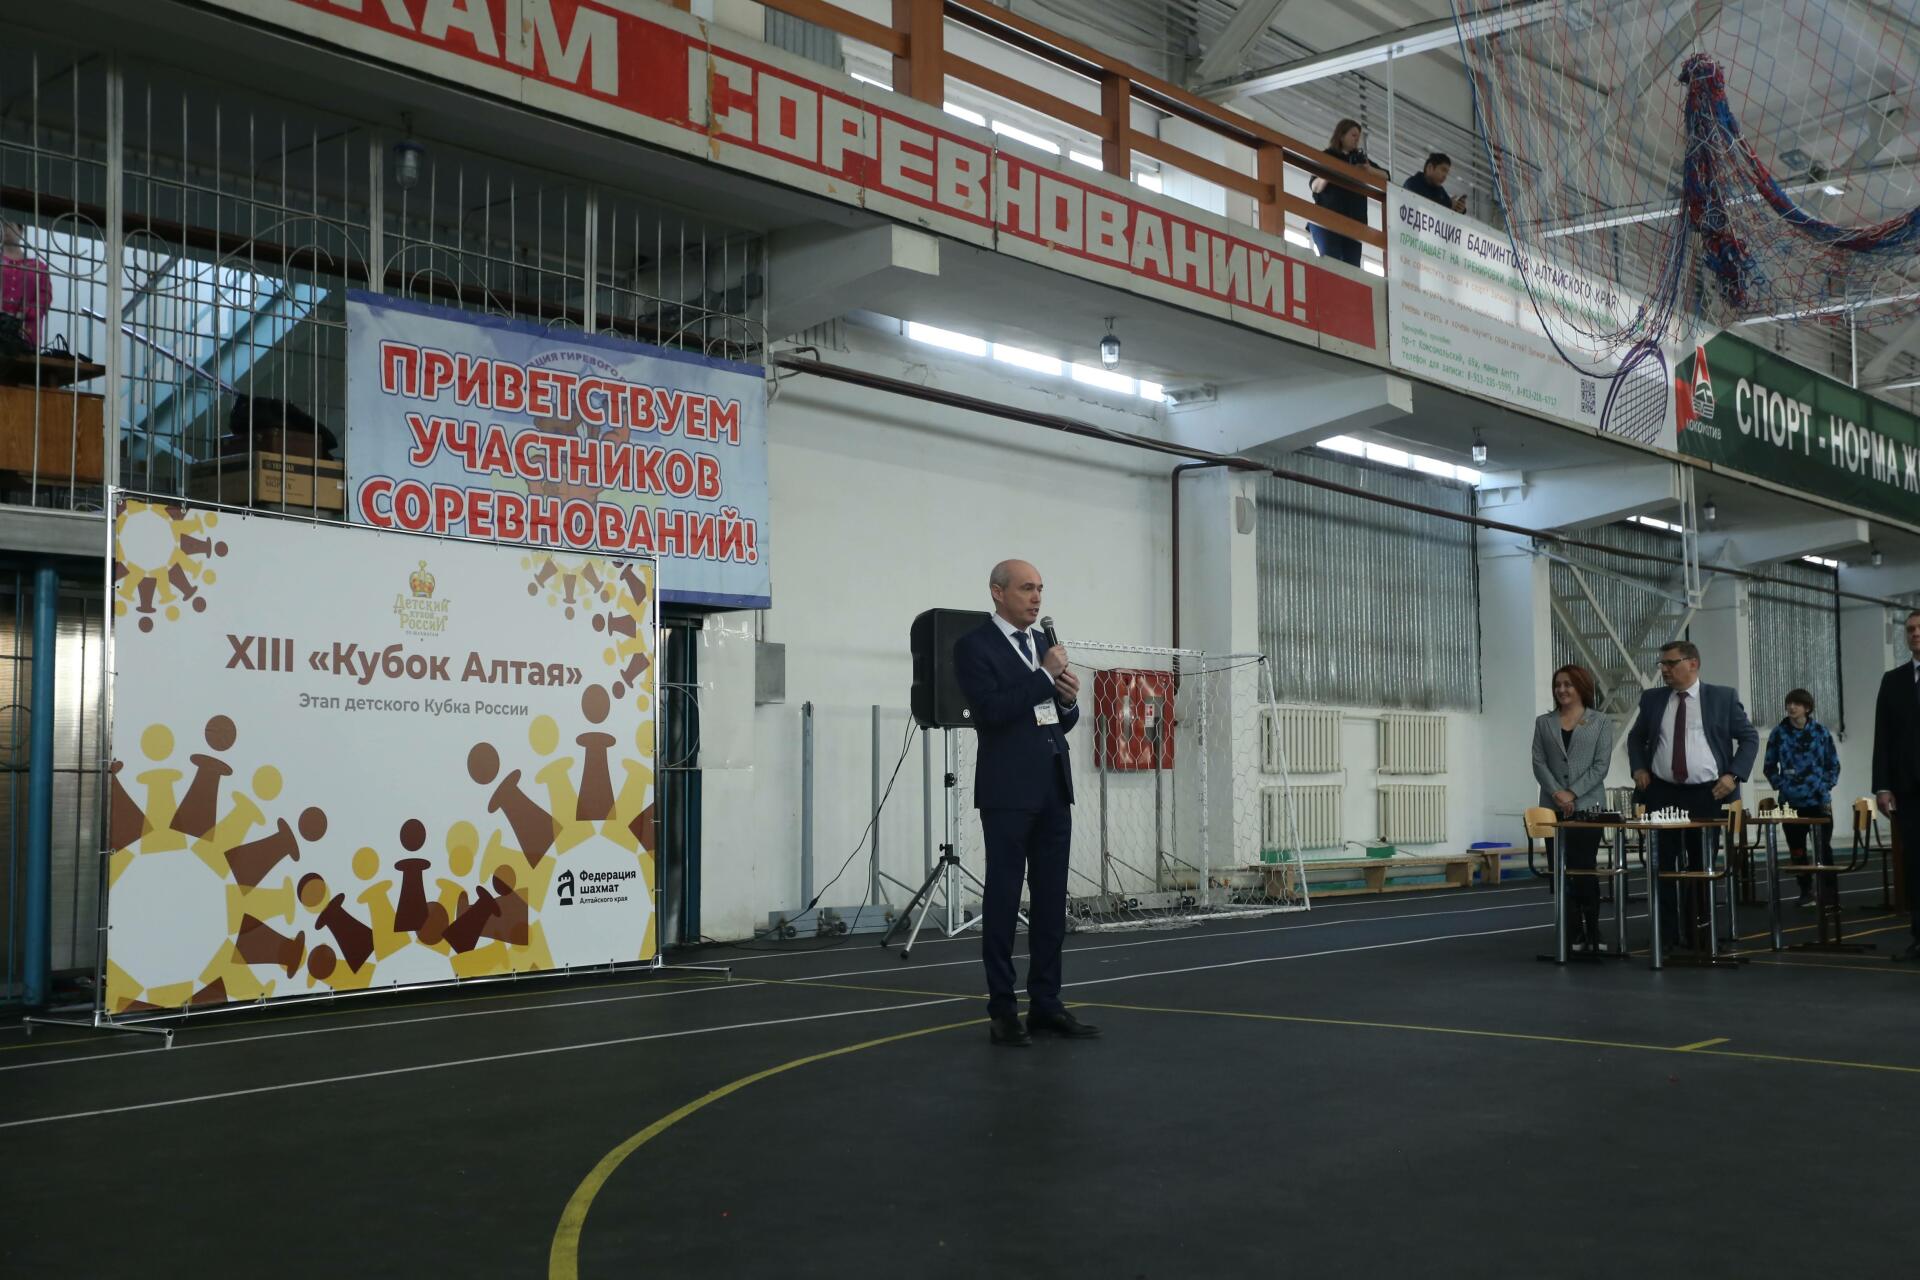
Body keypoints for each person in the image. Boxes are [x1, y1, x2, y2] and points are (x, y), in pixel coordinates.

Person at [951, 559, 1099, 1045]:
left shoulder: (1040, 644)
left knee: (1051, 901)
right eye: (1026, 588)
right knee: (1004, 898)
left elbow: (1054, 719)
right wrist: (1043, 675)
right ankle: (1002, 1009)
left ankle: (1046, 1003)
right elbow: (991, 712)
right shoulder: (974, 646)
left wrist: (1068, 700)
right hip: (1009, 792)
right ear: (997, 592)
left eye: (1040, 589)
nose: (1036, 598)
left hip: (1053, 786)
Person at [1626, 641, 1758, 953]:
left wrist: (1733, 775)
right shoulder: (1653, 699)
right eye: (1661, 664)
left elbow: (1749, 738)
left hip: (1706, 793)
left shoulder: (1722, 697)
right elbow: (1636, 737)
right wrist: (1639, 767)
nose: (1664, 669)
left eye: (1670, 663)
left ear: (1693, 664)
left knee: (1702, 865)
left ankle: (1699, 933)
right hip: (1662, 791)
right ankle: (1666, 936)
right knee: (1663, 866)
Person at [1531, 664, 1615, 953]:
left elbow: (1601, 765)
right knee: (1560, 870)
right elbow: (1538, 762)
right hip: (1552, 808)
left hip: (1588, 807)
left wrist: (1573, 793)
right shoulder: (1544, 723)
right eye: (1558, 685)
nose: (1562, 689)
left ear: (1582, 687)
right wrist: (1557, 793)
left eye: (1568, 684)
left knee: (1584, 868)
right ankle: (1571, 930)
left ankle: (1593, 929)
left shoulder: (1600, 721)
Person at [1871, 609, 1920, 961]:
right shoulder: (1893, 680)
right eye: (1910, 629)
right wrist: (1882, 786)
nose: (1915, 634)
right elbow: (1883, 737)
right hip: (1908, 789)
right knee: (1915, 864)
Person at [1763, 688, 1840, 907]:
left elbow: (1833, 765)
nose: (1791, 707)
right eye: (1789, 703)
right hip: (1791, 803)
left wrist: (1824, 786)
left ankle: (1829, 894)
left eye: (1796, 704)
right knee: (1797, 849)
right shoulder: (1779, 733)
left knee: (1824, 849)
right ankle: (1806, 891)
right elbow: (1769, 766)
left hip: (1818, 801)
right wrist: (1782, 785)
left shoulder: (1821, 732)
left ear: (1807, 708)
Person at [1309, 118, 1388, 269]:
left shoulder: (1359, 159)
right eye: (1353, 135)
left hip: (1355, 223)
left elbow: (1386, 176)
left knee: (1353, 269)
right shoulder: (1328, 155)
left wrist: (1368, 170)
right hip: (1328, 219)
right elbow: (1315, 186)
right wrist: (1333, 171)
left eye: (1358, 137)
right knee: (1331, 265)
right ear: (1341, 135)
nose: (1357, 139)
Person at [0, 219, 52, 353]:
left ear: (21, 231)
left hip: (26, 334)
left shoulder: (38, 267)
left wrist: (25, 312)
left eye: (9, 225)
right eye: (2, 226)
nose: (5, 229)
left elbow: (44, 299)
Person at [1403, 152, 1468, 214]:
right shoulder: (1412, 183)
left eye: (1447, 173)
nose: (1445, 176)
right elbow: (1423, 202)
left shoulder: (1440, 190)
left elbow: (1447, 205)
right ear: (1430, 167)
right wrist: (1449, 205)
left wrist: (1459, 208)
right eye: (1443, 170)